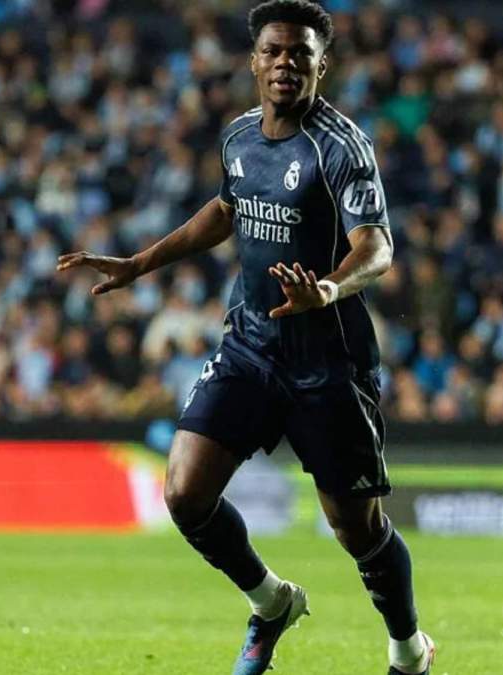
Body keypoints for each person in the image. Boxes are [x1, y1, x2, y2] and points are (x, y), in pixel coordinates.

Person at [57, 2, 434, 674]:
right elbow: (226, 210)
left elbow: (377, 248)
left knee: (358, 529)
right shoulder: (237, 139)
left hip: (328, 364)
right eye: (274, 51)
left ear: (324, 62)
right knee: (185, 492)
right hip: (251, 347)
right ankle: (271, 602)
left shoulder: (341, 145)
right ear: (254, 60)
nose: (286, 63)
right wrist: (141, 262)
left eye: (301, 53)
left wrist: (328, 287)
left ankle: (408, 646)